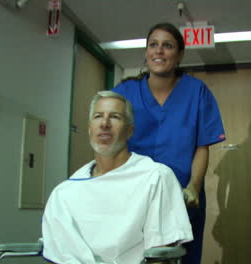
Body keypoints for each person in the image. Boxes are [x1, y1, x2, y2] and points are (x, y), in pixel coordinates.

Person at [112, 22, 226, 263]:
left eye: (167, 45)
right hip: (134, 196)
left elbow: (202, 146)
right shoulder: (125, 92)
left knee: (181, 257)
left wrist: (194, 186)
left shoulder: (196, 91)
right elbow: (111, 142)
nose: (159, 51)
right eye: (153, 45)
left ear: (180, 55)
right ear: (146, 52)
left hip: (182, 197)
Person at [42, 91, 193, 264]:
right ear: (90, 128)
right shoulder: (64, 193)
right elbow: (58, 253)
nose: (105, 124)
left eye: (115, 117)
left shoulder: (155, 177)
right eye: (98, 116)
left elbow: (162, 253)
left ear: (129, 131)